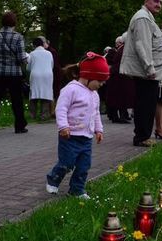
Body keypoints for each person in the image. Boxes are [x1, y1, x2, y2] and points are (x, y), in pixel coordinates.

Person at [46, 52, 109, 200]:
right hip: (69, 136)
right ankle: (53, 179)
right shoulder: (71, 89)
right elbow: (61, 109)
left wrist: (99, 130)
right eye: (99, 80)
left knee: (83, 167)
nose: (101, 84)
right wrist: (63, 126)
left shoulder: (94, 94)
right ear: (88, 76)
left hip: (86, 139)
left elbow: (96, 114)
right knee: (67, 163)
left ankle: (77, 190)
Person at [120, 0, 162, 147]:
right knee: (146, 104)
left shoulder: (147, 17)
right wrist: (149, 68)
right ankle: (142, 137)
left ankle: (143, 135)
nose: (158, 4)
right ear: (146, 1)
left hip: (148, 72)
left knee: (146, 103)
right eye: (155, 1)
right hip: (147, 72)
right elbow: (142, 45)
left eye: (160, 2)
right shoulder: (143, 18)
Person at [0, 11, 28, 137]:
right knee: (17, 100)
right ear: (14, 22)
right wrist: (26, 60)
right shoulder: (18, 37)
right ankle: (19, 126)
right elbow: (21, 59)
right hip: (14, 74)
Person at [106, 35, 134, 123]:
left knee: (118, 97)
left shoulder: (122, 49)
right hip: (119, 76)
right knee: (120, 97)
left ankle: (119, 116)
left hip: (118, 75)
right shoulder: (123, 49)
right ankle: (118, 117)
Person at [27, 36, 54, 120]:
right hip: (47, 75)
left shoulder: (32, 54)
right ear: (42, 44)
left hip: (35, 75)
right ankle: (44, 115)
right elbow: (51, 65)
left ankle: (32, 115)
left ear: (34, 45)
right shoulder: (49, 53)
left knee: (33, 95)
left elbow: (28, 68)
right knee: (45, 94)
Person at [45, 39, 62, 117]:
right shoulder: (50, 51)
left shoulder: (51, 51)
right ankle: (53, 111)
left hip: (54, 74)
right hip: (53, 73)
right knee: (53, 93)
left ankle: (54, 111)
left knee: (54, 93)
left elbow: (54, 64)